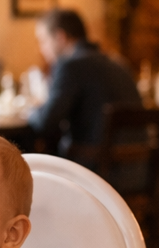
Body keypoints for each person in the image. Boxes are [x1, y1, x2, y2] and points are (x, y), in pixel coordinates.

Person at [28, 8, 141, 157]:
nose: (42, 49)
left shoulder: (69, 66)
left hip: (94, 171)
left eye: (43, 41)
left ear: (60, 37)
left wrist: (29, 111)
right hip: (138, 169)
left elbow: (46, 121)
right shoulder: (119, 64)